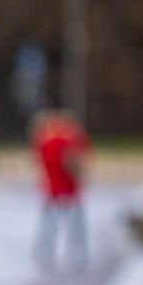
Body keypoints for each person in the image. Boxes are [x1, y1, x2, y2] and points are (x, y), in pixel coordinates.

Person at [31, 108, 91, 271]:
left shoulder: (43, 143)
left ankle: (43, 255)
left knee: (49, 227)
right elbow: (75, 164)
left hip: (52, 192)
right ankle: (78, 258)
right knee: (75, 229)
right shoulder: (68, 143)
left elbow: (39, 164)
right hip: (69, 191)